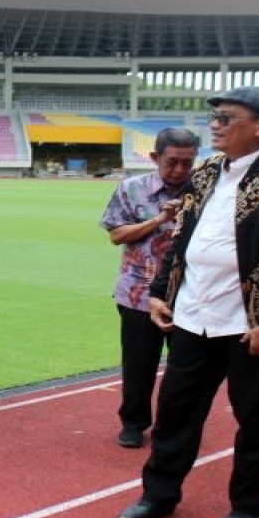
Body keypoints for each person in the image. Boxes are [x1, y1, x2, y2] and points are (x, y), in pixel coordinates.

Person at [117, 87, 259, 518]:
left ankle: (248, 505)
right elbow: (181, 239)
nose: (215, 125)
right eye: (215, 117)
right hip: (193, 317)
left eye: (227, 118)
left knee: (257, 419)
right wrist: (159, 292)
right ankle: (159, 495)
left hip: (251, 326)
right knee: (174, 413)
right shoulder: (208, 171)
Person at [100, 128, 198, 448]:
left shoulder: (205, 189)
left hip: (189, 293)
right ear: (155, 157)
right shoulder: (131, 189)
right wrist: (159, 219)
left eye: (188, 162)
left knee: (186, 368)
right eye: (172, 162)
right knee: (139, 365)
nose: (180, 170)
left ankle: (176, 426)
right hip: (138, 292)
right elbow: (116, 235)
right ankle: (133, 423)